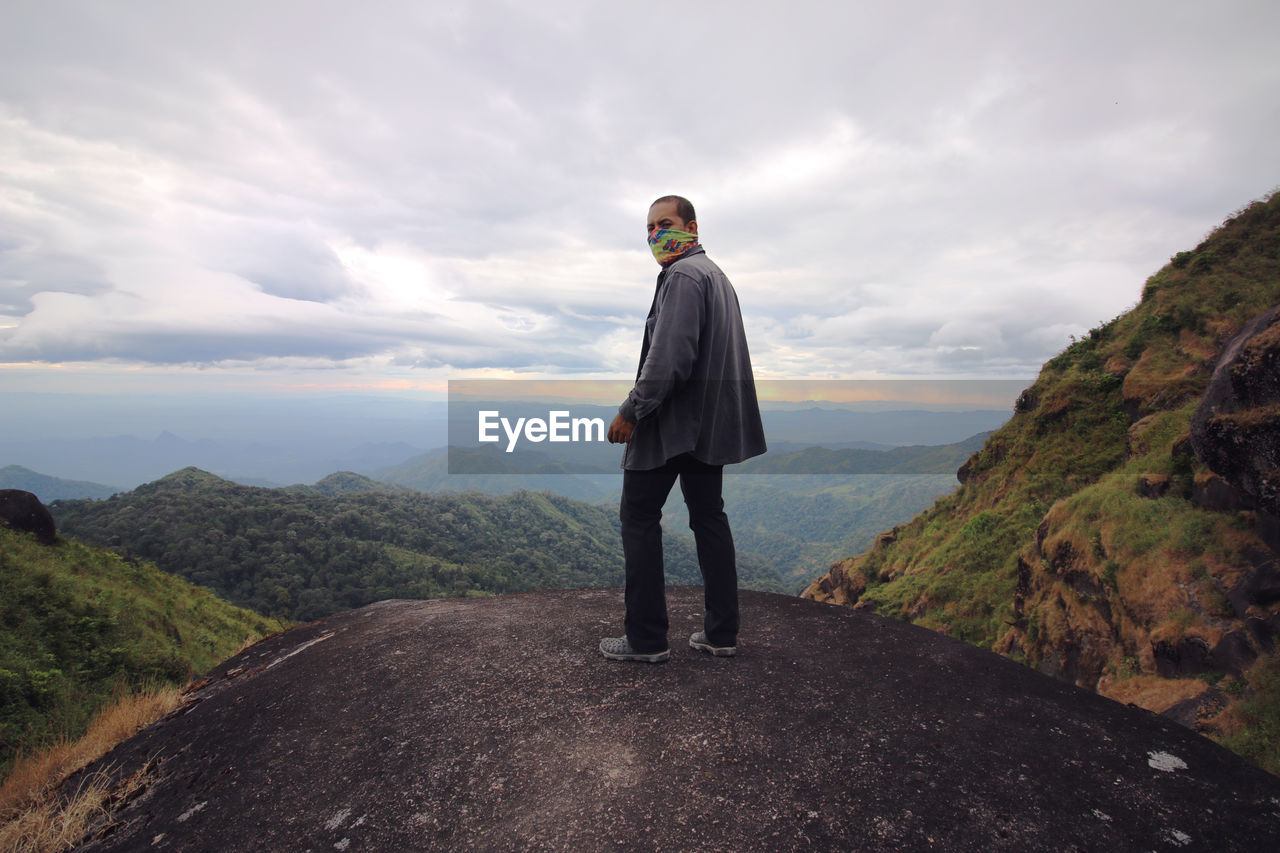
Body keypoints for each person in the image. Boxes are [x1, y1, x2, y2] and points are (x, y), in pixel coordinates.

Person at [600, 195, 767, 663]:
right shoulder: (716, 276)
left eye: (665, 224)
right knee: (709, 518)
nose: (656, 235)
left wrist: (631, 411)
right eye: (649, 227)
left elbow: (669, 358)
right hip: (709, 426)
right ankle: (721, 633)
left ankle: (646, 639)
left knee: (638, 518)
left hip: (672, 425)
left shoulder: (683, 277)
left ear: (691, 227)